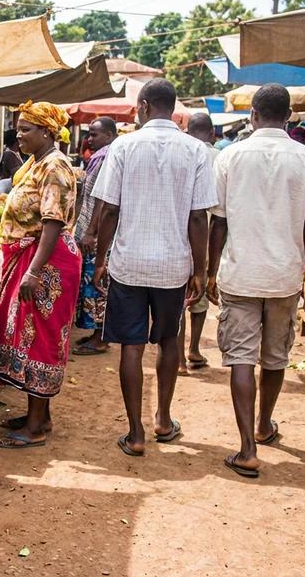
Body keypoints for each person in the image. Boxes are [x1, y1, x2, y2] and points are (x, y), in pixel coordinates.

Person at [207, 84, 305, 478]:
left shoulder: (231, 156)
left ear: (253, 116)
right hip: (284, 276)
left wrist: (210, 271)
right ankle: (264, 425)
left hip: (241, 273)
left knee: (241, 357)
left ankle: (246, 449)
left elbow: (218, 223)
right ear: (290, 116)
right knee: (275, 356)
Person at [92, 78, 217, 457]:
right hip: (172, 266)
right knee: (168, 340)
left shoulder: (124, 146)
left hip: (129, 263)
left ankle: (136, 433)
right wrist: (200, 268)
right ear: (172, 107)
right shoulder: (196, 149)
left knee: (131, 347)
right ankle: (163, 418)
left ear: (144, 106)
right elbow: (199, 218)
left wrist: (100, 259)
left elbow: (109, 209)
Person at [0, 101, 81, 449]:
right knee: (30, 336)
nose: (19, 134)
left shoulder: (55, 166)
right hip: (36, 259)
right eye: (19, 127)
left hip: (47, 264)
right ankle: (39, 415)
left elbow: (53, 222)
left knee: (39, 339)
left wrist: (33, 271)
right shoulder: (37, 162)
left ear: (46, 131)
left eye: (26, 128)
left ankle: (35, 428)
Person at [178, 113, 221, 374]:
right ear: (212, 132)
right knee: (200, 290)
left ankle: (180, 359)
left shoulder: (181, 152)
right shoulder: (221, 156)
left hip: (179, 232)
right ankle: (194, 347)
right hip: (208, 232)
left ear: (188, 131)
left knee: (180, 296)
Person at [72, 116, 117, 356]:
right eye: (89, 134)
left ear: (108, 135)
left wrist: (91, 232)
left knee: (96, 285)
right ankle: (98, 333)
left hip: (98, 235)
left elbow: (103, 199)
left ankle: (100, 338)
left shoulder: (106, 158)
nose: (89, 139)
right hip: (97, 230)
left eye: (94, 134)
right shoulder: (102, 157)